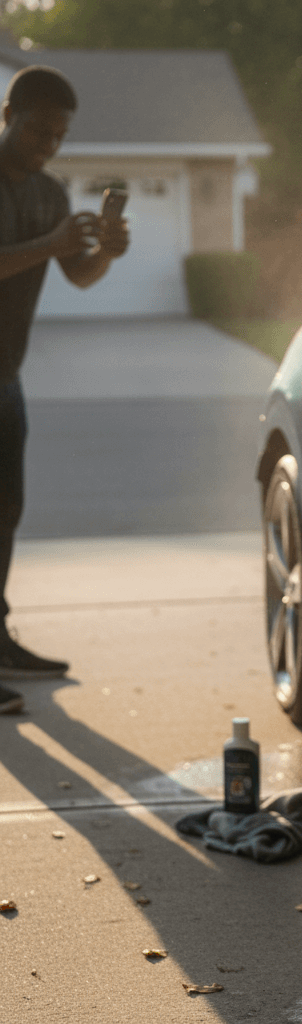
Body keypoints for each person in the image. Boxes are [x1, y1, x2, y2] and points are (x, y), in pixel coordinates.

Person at [0, 66, 129, 713]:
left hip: (6, 376)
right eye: (39, 130)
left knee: (5, 514)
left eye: (59, 135)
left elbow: (77, 274)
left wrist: (107, 250)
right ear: (8, 114)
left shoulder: (50, 193)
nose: (49, 144)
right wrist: (47, 243)